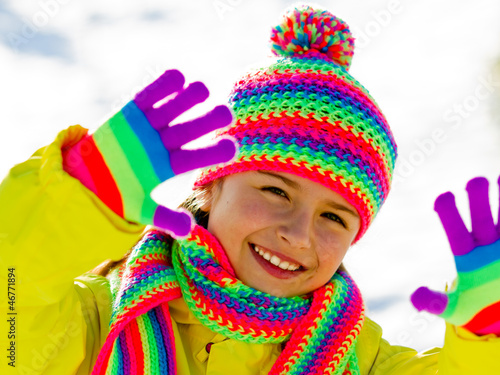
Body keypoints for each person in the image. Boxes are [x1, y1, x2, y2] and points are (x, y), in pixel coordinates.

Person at [1, 4, 500, 374]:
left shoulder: (359, 360)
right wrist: (77, 203)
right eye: (276, 192)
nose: (298, 234)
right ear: (213, 186)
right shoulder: (99, 321)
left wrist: (486, 340)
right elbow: (11, 311)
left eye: (334, 217)